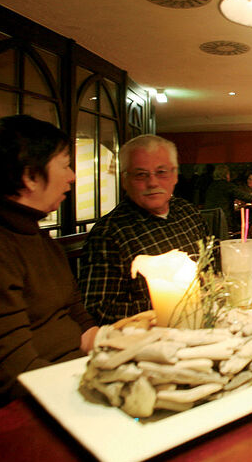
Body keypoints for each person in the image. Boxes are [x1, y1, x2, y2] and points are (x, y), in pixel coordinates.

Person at [0, 115, 98, 415]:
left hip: (75, 380)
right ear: (30, 177)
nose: (72, 176)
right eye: (65, 165)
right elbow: (11, 372)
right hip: (33, 407)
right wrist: (104, 389)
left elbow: (80, 320)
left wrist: (126, 346)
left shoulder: (38, 237)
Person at [78, 134, 211, 326]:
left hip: (205, 325)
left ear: (175, 176)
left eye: (161, 172)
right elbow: (99, 309)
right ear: (125, 180)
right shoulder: (108, 234)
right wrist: (176, 304)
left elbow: (209, 271)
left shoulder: (188, 212)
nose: (152, 182)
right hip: (153, 337)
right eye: (141, 174)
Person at [202, 164, 237, 230]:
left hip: (209, 219)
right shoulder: (227, 185)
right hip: (222, 219)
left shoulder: (211, 186)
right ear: (226, 175)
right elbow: (242, 195)